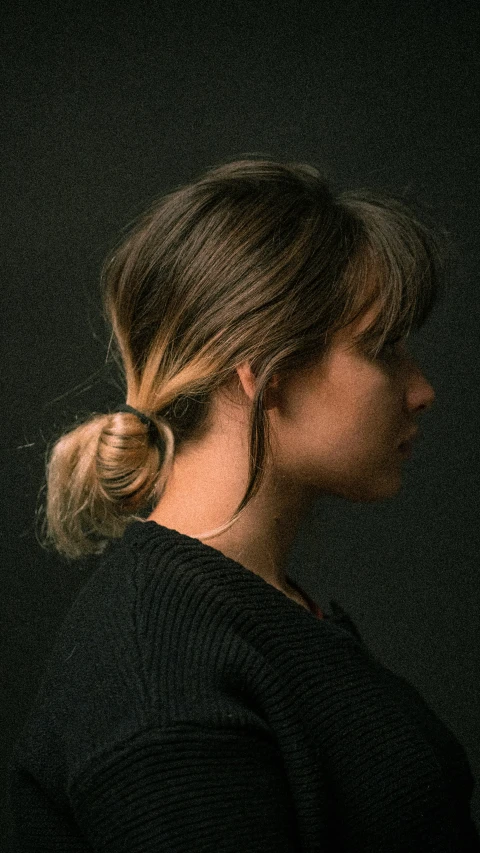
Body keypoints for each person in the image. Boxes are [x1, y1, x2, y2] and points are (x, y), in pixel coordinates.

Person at [5, 157, 479, 851]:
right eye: (384, 348)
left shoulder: (261, 608)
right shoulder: (163, 684)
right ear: (266, 371)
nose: (421, 389)